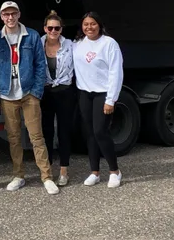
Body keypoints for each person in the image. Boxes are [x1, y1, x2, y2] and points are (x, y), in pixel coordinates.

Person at [0, 1, 60, 195]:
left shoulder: (31, 36)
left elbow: (40, 64)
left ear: (19, 14)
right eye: (6, 14)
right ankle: (18, 175)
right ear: (2, 16)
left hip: (28, 93)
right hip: (7, 94)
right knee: (13, 138)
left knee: (36, 136)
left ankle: (46, 176)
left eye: (13, 13)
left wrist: (36, 92)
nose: (10, 17)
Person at [73, 11, 124, 188]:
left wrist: (111, 99)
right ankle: (94, 172)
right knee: (90, 133)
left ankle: (115, 172)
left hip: (103, 93)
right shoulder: (77, 44)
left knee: (101, 131)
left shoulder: (109, 44)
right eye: (86, 24)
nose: (89, 27)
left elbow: (116, 72)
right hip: (85, 93)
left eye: (93, 24)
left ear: (99, 25)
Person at [40, 10, 77, 186]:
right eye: (50, 28)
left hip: (65, 92)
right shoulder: (37, 44)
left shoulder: (70, 45)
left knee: (64, 131)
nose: (53, 31)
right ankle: (48, 171)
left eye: (57, 28)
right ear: (45, 28)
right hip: (46, 92)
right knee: (46, 131)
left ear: (61, 29)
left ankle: (64, 170)